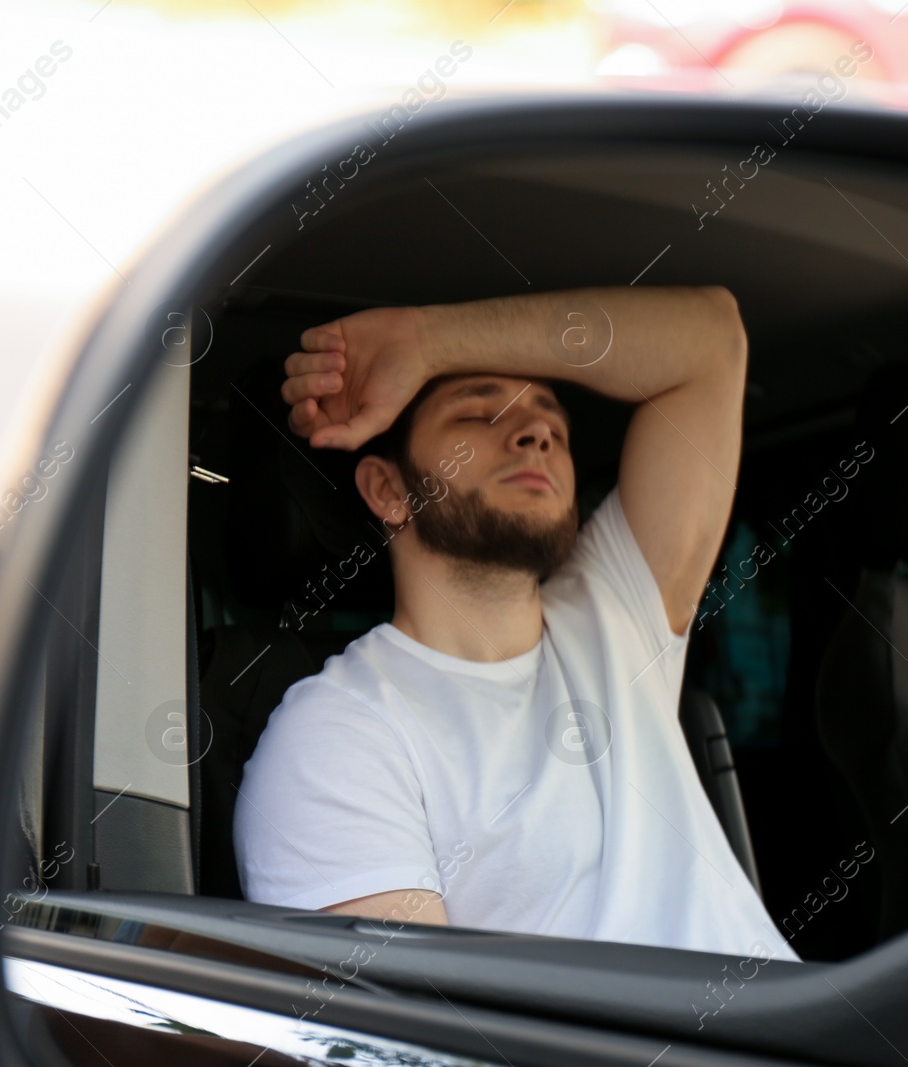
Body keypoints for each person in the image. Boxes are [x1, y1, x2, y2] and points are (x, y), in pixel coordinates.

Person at [234, 286, 797, 960]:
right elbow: (421, 1032)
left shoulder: (610, 615)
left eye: (550, 423)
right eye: (477, 413)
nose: (535, 433)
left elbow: (711, 339)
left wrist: (428, 337)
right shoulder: (337, 735)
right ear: (388, 489)